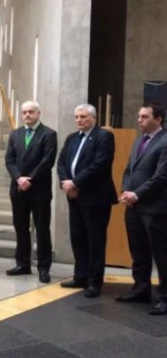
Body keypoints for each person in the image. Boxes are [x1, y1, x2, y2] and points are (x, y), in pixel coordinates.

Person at [57, 104, 117, 298]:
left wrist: (75, 183)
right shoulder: (72, 138)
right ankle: (80, 277)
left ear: (94, 118)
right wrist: (66, 183)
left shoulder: (103, 137)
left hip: (95, 198)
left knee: (95, 241)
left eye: (83, 117)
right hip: (74, 197)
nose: (79, 120)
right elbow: (61, 162)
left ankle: (94, 282)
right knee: (78, 238)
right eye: (76, 117)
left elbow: (99, 164)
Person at [117, 103, 167, 315]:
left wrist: (137, 194)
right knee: (138, 251)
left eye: (144, 117)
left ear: (159, 119)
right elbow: (129, 170)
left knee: (161, 254)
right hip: (134, 207)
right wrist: (127, 191)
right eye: (139, 116)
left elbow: (161, 176)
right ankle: (141, 288)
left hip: (155, 208)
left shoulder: (165, 141)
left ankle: (165, 297)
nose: (139, 120)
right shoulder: (139, 140)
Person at [4, 101, 57, 283]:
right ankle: (23, 264)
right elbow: (9, 159)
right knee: (21, 228)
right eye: (24, 112)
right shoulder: (15, 134)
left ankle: (43, 267)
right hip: (18, 189)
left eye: (30, 112)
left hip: (39, 190)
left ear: (38, 114)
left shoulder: (49, 134)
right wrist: (19, 178)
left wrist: (30, 179)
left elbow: (47, 161)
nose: (27, 115)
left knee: (42, 228)